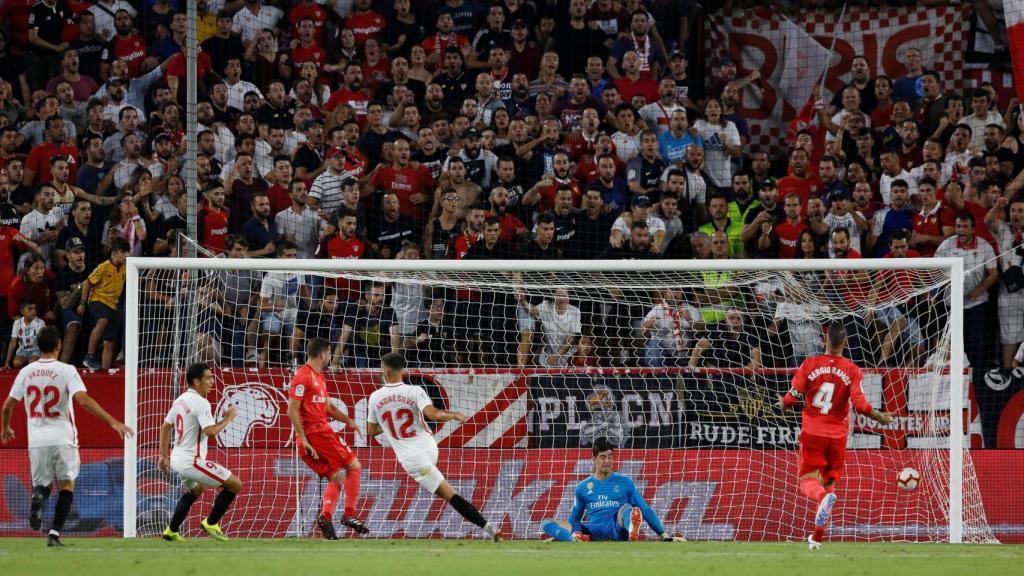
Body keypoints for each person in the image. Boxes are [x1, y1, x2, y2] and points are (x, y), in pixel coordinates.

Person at [0, 326, 133, 547]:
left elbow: (7, 406)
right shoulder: (66, 370)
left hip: (37, 441)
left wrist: (5, 428)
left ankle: (37, 500)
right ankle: (53, 534)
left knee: (42, 486)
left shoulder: (25, 372)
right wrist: (112, 420)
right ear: (59, 345)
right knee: (67, 486)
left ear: (38, 346)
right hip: (63, 438)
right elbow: (82, 400)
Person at [779, 323, 893, 550]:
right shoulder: (852, 369)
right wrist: (880, 417)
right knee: (829, 484)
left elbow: (791, 398)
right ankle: (817, 538)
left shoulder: (809, 364)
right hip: (838, 436)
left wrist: (783, 403)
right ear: (846, 343)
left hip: (812, 432)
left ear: (824, 340)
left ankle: (821, 499)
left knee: (807, 483)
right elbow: (860, 405)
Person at [365, 352, 501, 541]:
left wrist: (390, 426)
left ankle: (491, 529)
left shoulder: (374, 397)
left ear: (386, 372)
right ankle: (490, 528)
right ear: (402, 370)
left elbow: (371, 431)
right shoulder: (415, 390)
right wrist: (453, 414)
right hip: (429, 446)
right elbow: (434, 414)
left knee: (451, 496)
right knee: (448, 491)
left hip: (413, 460)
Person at [287, 338, 367, 539]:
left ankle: (326, 517)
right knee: (354, 465)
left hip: (314, 435)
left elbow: (329, 407)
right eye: (329, 353)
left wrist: (349, 421)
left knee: (336, 477)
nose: (330, 357)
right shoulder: (302, 376)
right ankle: (349, 514)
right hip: (316, 433)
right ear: (323, 354)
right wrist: (303, 438)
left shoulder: (319, 377)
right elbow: (291, 410)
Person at [158, 362, 243, 542]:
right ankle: (211, 523)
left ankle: (171, 531)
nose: (212, 381)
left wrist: (163, 456)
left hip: (176, 459)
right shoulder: (201, 402)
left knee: (196, 490)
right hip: (191, 461)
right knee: (235, 484)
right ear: (196, 381)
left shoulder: (179, 400)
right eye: (208, 378)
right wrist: (227, 419)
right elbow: (210, 432)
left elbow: (165, 427)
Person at [540, 437, 682, 542]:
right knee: (546, 522)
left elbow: (645, 509)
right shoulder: (582, 487)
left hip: (616, 530)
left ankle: (632, 529)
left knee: (628, 509)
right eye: (602, 457)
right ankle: (573, 539)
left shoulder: (625, 482)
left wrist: (663, 534)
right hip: (592, 532)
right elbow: (574, 518)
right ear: (594, 459)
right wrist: (560, 534)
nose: (607, 461)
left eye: (610, 457)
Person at [81, 238, 129, 370]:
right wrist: (82, 303)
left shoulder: (126, 268)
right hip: (98, 300)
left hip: (113, 306)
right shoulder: (103, 267)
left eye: (127, 252)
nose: (126, 255)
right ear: (114, 253)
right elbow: (87, 283)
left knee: (110, 342)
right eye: (123, 252)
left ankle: (106, 372)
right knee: (102, 320)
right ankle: (89, 356)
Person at [5, 299, 44, 368]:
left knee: (32, 363)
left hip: (36, 350)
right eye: (30, 308)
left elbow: (44, 342)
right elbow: (12, 342)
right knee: (16, 363)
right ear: (22, 311)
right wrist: (7, 361)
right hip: (22, 350)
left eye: (34, 308)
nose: (33, 311)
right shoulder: (17, 323)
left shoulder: (40, 323)